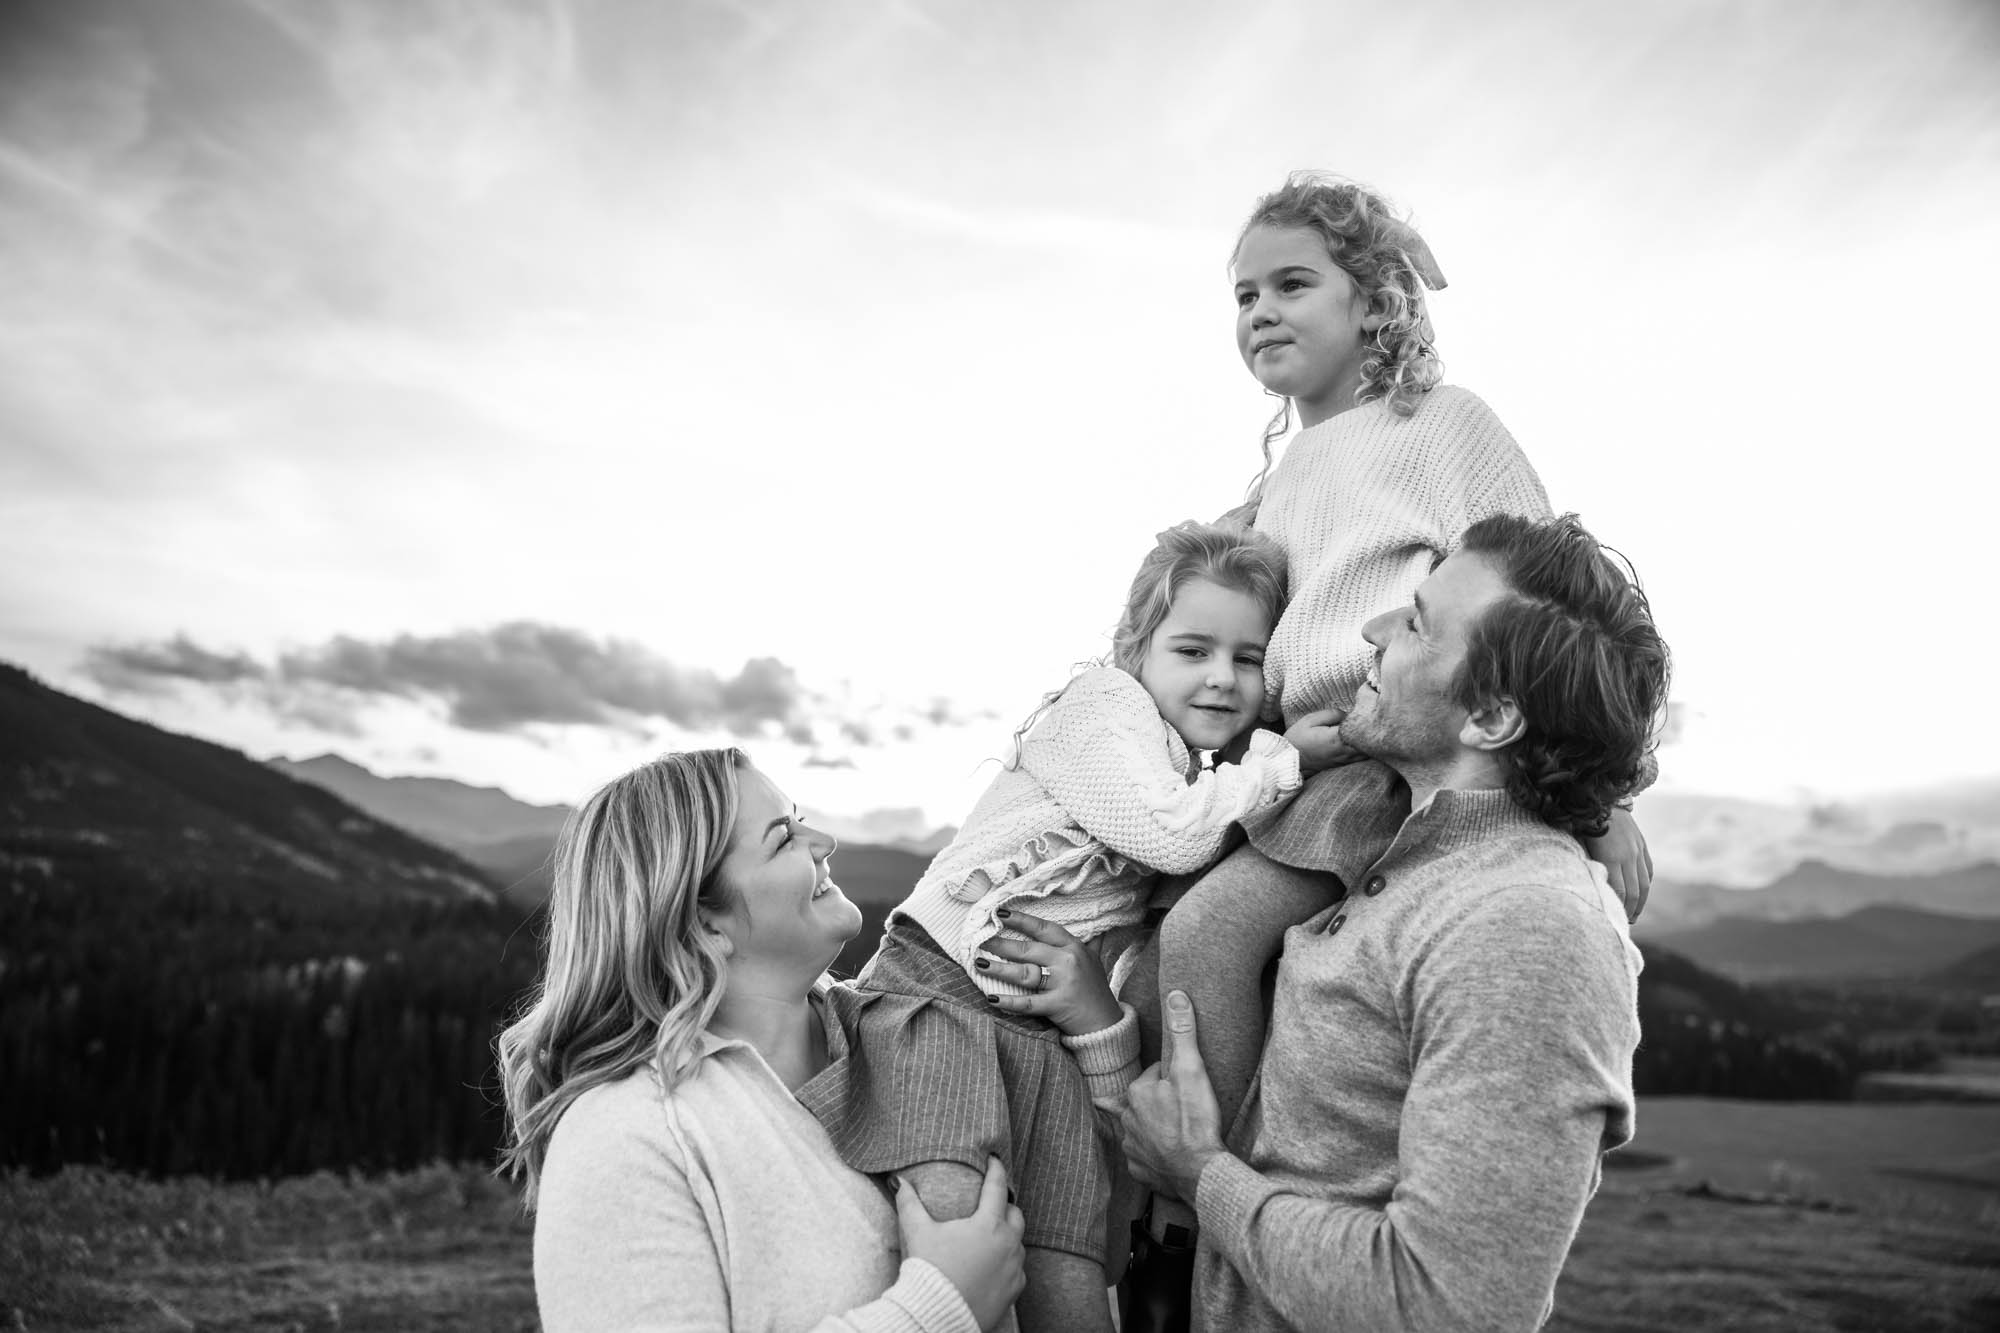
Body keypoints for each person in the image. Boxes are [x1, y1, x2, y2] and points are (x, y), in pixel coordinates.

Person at [1147, 174, 1655, 1197]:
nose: (1260, 312)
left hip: (1386, 762)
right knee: (1151, 925)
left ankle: (1190, 1188)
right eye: (1242, 296)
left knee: (1203, 935)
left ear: (1374, 298)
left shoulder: (1441, 425)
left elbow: (1545, 596)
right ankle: (1148, 1182)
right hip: (1294, 763)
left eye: (1291, 284)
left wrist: (1605, 804)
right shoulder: (1281, 479)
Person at [1121, 511, 1670, 1332]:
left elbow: (1448, 1306)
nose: (1373, 631)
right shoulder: (1403, 862)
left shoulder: (1527, 930)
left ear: (1490, 719)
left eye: (1416, 624)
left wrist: (1201, 1173)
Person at [812, 520, 1345, 1333]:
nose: (1223, 679)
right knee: (964, 1227)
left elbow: (1108, 959)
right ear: (1137, 647)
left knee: (1072, 1267)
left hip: (1036, 1042)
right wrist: (1281, 760)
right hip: (941, 997)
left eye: (1247, 659)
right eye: (1193, 650)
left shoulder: (1182, 773)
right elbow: (1173, 831)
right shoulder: (1102, 710)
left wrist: (1103, 1064)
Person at [495, 749, 1027, 1332]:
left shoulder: (915, 1031)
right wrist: (941, 1309)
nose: (823, 840)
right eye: (783, 838)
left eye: (801, 820)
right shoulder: (625, 1134)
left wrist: (1100, 1037)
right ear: (704, 924)